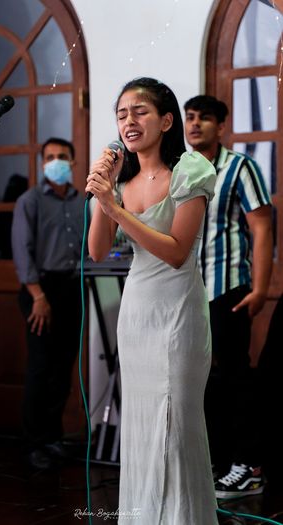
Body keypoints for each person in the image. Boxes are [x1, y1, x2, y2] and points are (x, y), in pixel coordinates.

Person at [86, 77, 218, 524]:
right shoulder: (121, 181)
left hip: (178, 313)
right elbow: (98, 251)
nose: (128, 121)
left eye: (139, 111)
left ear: (165, 120)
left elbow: (177, 252)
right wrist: (103, 193)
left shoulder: (191, 170)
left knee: (176, 429)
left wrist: (114, 206)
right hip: (138, 313)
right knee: (141, 431)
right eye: (121, 114)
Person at [184, 95, 273, 499]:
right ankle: (219, 463)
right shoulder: (182, 170)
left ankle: (250, 467)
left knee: (236, 377)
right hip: (189, 293)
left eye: (204, 118)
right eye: (189, 118)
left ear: (221, 126)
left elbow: (262, 229)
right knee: (203, 381)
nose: (195, 124)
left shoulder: (240, 167)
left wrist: (260, 289)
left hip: (228, 288)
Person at [11, 137, 86, 470]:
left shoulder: (82, 200)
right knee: (40, 367)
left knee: (62, 367)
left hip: (71, 290)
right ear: (42, 164)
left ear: (73, 162)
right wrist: (38, 297)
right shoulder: (29, 201)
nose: (57, 161)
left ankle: (53, 438)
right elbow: (21, 250)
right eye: (51, 157)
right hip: (39, 290)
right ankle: (33, 443)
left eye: (63, 157)